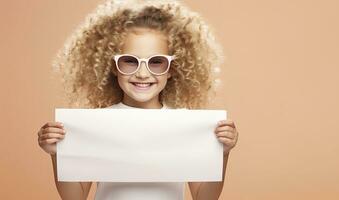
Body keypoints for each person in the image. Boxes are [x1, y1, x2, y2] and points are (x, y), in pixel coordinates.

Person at [37, 0, 239, 199]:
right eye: (129, 61)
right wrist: (57, 154)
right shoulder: (96, 123)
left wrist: (222, 154)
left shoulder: (187, 125)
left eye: (157, 62)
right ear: (114, 66)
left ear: (172, 69)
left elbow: (204, 197)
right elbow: (75, 197)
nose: (143, 73)